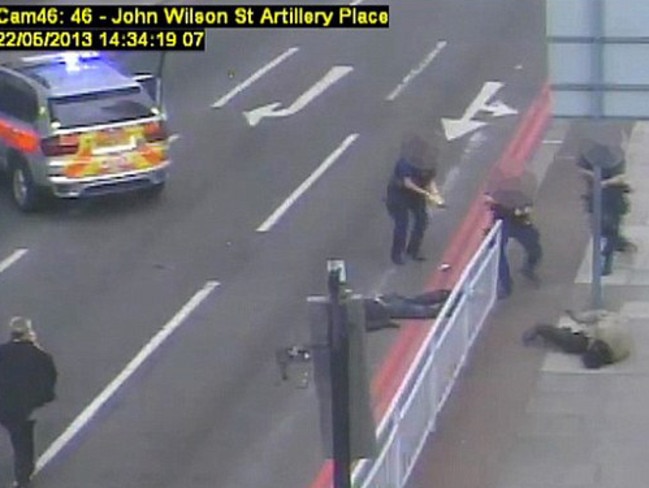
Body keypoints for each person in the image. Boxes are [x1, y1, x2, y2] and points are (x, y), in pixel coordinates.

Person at [0, 317, 57, 488]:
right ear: (29, 332)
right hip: (20, 408)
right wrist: (40, 401)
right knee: (22, 442)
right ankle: (23, 476)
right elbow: (48, 383)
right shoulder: (41, 356)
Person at [385, 136, 445, 265]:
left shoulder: (429, 162)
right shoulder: (405, 163)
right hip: (399, 195)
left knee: (422, 220)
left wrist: (436, 194)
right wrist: (427, 194)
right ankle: (397, 254)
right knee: (402, 224)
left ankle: (413, 250)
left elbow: (430, 180)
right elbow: (408, 183)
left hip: (416, 195)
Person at [522, 309, 631, 369]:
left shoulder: (615, 354)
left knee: (570, 343)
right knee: (572, 343)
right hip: (606, 327)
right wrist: (579, 318)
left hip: (609, 330)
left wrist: (579, 319)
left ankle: (541, 328)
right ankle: (541, 329)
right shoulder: (604, 329)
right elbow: (597, 316)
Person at [485, 193, 542, 298]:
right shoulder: (497, 191)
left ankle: (528, 268)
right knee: (499, 253)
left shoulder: (516, 191)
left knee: (534, 245)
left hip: (517, 221)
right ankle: (506, 286)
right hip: (502, 221)